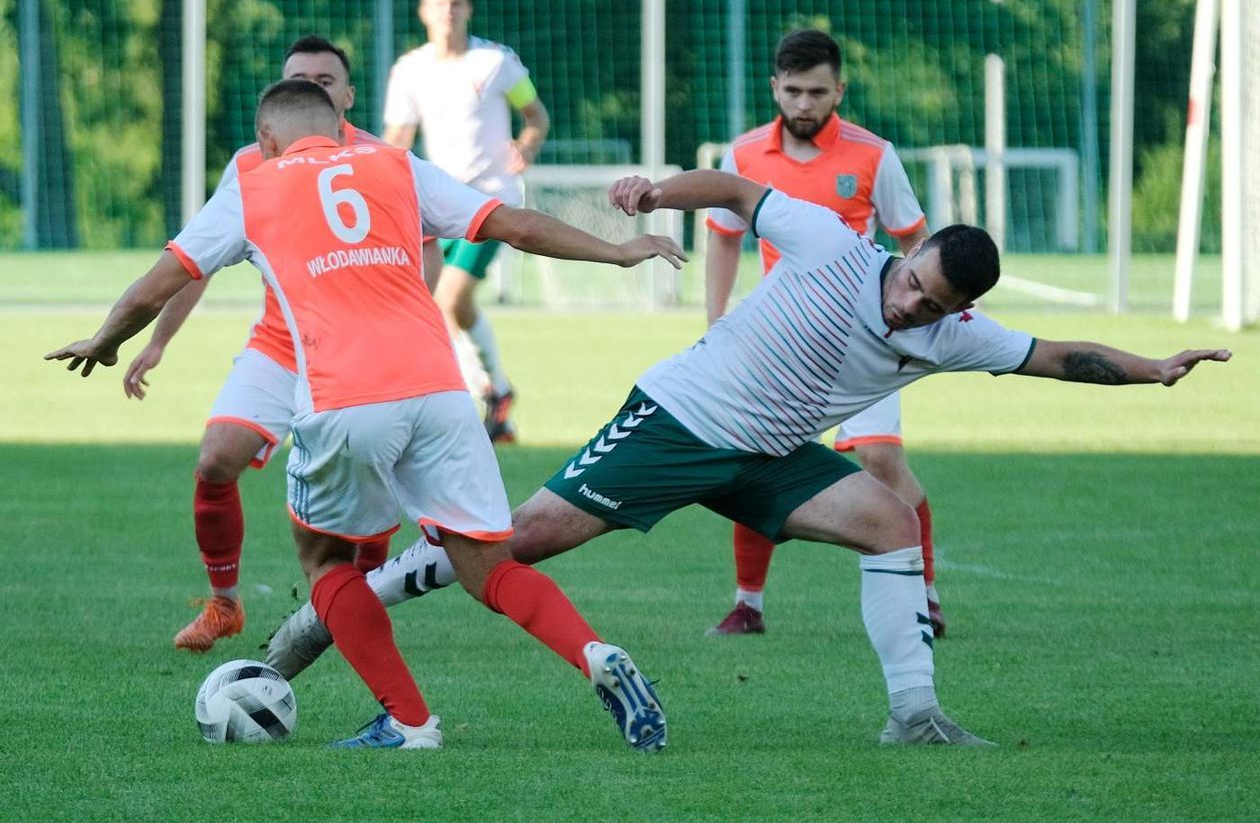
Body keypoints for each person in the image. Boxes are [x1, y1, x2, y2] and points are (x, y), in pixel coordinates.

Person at [263, 168, 1230, 746]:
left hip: (769, 456)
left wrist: (1155, 369)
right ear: (909, 252)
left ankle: (915, 715)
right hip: (680, 419)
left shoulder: (953, 335)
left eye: (932, 306)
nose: (910, 308)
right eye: (913, 284)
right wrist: (657, 193)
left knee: (893, 521)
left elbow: (1057, 356)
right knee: (515, 543)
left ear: (958, 310)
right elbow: (733, 191)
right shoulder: (833, 244)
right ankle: (339, 607)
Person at [47, 80, 685, 751]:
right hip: (441, 393)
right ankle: (592, 653)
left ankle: (410, 723)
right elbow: (515, 225)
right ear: (337, 125)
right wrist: (618, 250)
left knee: (327, 563)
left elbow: (157, 285)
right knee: (490, 567)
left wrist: (106, 341)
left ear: (266, 139)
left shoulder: (253, 186)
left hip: (345, 398)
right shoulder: (396, 165)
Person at [121, 35, 445, 653]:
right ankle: (224, 605)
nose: (311, 88)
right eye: (299, 79)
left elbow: (428, 253)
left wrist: (398, 325)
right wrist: (159, 341)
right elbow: (196, 262)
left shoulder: (385, 162)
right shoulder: (251, 164)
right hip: (282, 344)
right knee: (216, 459)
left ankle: (358, 609)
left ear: (347, 97)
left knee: (366, 490)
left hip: (363, 354)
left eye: (325, 80)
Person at [705, 29, 944, 638]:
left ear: (840, 90)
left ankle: (926, 595)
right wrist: (715, 322)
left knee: (881, 460)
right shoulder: (744, 155)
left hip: (868, 341)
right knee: (754, 462)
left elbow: (915, 242)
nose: (804, 103)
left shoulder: (873, 155)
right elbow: (724, 238)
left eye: (817, 92)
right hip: (779, 344)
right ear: (774, 89)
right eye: (793, 91)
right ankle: (748, 604)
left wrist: (920, 316)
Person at [382, 0, 549, 443]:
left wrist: (527, 146)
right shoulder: (410, 69)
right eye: (438, 4)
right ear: (423, 12)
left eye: (455, 3)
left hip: (492, 199)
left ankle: (487, 392)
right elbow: (398, 138)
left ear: (468, 9)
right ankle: (496, 392)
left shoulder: (494, 62)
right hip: (438, 204)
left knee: (450, 298)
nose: (447, 12)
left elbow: (536, 116)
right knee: (444, 305)